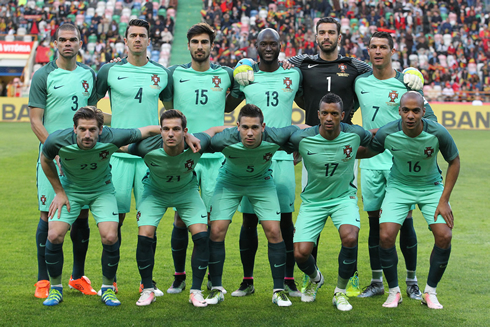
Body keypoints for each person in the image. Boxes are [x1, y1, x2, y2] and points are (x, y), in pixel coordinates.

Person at [233, 17, 424, 295]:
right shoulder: (302, 64)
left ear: (339, 36)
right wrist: (245, 63)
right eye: (322, 32)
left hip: (347, 148)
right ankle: (310, 275)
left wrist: (410, 70)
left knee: (354, 217)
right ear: (316, 36)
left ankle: (356, 275)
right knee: (313, 210)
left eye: (331, 32)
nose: (326, 36)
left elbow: (381, 68)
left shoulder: (356, 67)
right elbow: (273, 58)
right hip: (312, 148)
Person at [40, 106, 161, 306]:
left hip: (101, 190)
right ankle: (55, 289)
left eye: (93, 130)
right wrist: (59, 192)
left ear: (101, 130)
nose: (87, 135)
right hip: (71, 190)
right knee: (54, 235)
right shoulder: (56, 140)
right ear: (74, 128)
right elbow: (45, 160)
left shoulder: (113, 136)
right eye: (82, 129)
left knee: (110, 235)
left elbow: (147, 130)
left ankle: (107, 288)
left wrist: (184, 134)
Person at [354, 31, 438, 300]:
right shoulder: (360, 82)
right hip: (369, 163)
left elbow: (431, 119)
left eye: (383, 47)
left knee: (406, 220)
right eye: (373, 47)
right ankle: (377, 281)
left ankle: (412, 280)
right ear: (368, 51)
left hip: (398, 163)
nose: (377, 51)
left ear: (392, 51)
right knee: (374, 222)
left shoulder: (407, 83)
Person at [359, 91, 460, 309]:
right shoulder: (388, 132)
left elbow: (455, 161)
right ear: (400, 112)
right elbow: (367, 152)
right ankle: (394, 292)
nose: (411, 115)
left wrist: (444, 200)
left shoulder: (438, 132)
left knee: (444, 235)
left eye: (416, 110)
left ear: (424, 112)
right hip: (398, 187)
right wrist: (337, 147)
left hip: (430, 187)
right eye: (406, 110)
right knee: (385, 236)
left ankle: (430, 292)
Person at [97, 19, 173, 295]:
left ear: (149, 40)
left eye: (142, 35)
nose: (138, 39)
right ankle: (110, 282)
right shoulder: (110, 70)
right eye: (133, 36)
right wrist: (110, 127)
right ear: (125, 40)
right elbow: (90, 108)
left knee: (148, 223)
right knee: (113, 223)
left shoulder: (161, 73)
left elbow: (171, 113)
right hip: (116, 157)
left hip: (148, 159)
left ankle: (147, 283)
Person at [226, 28, 303, 298]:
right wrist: (239, 67)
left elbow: (313, 90)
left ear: (281, 46)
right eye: (263, 43)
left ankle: (289, 279)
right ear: (255, 46)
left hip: (281, 157)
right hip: (252, 158)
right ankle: (247, 281)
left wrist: (300, 144)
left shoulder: (292, 74)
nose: (268, 48)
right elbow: (227, 105)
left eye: (273, 43)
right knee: (248, 221)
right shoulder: (246, 76)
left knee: (284, 221)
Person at [162, 22, 238, 294]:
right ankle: (180, 276)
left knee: (213, 222)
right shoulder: (174, 74)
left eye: (204, 42)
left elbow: (238, 95)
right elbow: (168, 110)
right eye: (195, 42)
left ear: (211, 45)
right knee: (181, 219)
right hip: (184, 158)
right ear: (188, 45)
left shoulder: (227, 75)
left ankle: (211, 279)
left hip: (215, 158)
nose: (199, 46)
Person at [123, 109, 227, 307]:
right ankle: (147, 288)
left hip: (186, 193)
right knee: (145, 236)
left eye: (176, 129)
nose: (171, 134)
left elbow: (215, 129)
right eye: (166, 129)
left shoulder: (198, 144)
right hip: (155, 192)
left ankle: (195, 291)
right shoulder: (145, 147)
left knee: (202, 235)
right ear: (160, 131)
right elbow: (116, 144)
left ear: (185, 131)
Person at [205, 104, 305, 307]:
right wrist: (205, 133)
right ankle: (216, 289)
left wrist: (301, 147)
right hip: (229, 182)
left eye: (255, 127)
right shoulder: (224, 139)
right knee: (216, 230)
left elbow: (301, 128)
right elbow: (207, 136)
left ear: (264, 127)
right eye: (245, 127)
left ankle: (278, 291)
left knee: (274, 231)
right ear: (237, 127)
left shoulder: (275, 135)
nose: (250, 133)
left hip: (261, 182)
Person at [29, 23, 98, 299]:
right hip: (52, 159)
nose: (67, 44)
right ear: (55, 43)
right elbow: (35, 120)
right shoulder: (43, 75)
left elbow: (93, 117)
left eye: (73, 40)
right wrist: (54, 150)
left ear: (80, 43)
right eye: (62, 40)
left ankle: (77, 277)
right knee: (48, 214)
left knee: (81, 214)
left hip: (81, 160)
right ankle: (42, 280)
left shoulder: (89, 75)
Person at [286, 93, 372, 311]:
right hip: (313, 201)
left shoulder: (354, 135)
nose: (329, 118)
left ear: (342, 115)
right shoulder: (303, 138)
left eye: (334, 114)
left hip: (344, 197)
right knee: (300, 254)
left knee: (350, 237)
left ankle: (340, 292)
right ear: (318, 114)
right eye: (325, 113)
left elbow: (377, 140)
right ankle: (316, 279)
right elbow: (277, 139)